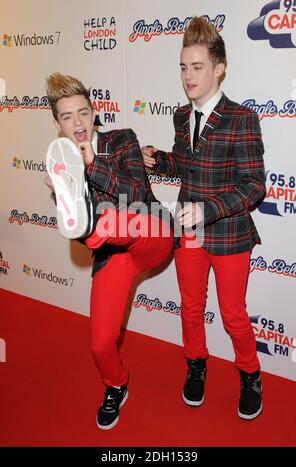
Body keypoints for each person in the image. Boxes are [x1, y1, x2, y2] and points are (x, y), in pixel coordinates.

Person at [142, 17, 266, 420]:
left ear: (219, 68)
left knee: (232, 313)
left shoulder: (242, 118)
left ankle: (250, 374)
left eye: (196, 67)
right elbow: (184, 164)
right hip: (187, 234)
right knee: (191, 307)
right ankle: (195, 366)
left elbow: (253, 186)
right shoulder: (181, 116)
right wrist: (158, 160)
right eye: (182, 67)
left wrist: (208, 209)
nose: (188, 76)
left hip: (229, 233)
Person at [45, 72, 174, 430]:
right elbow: (77, 239)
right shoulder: (62, 164)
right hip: (111, 253)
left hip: (150, 230)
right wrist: (64, 191)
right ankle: (116, 384)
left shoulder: (121, 139)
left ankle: (97, 224)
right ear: (57, 123)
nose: (78, 123)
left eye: (83, 113)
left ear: (94, 111)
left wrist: (91, 165)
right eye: (67, 117)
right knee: (101, 345)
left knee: (121, 219)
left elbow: (135, 194)